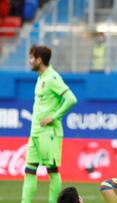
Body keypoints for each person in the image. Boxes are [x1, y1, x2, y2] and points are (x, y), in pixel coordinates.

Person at [21, 45, 78, 203]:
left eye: (32, 58)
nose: (30, 61)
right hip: (36, 133)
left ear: (39, 60)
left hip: (49, 133)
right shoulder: (41, 78)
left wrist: (54, 117)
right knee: (29, 170)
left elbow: (71, 99)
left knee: (52, 171)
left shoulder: (52, 78)